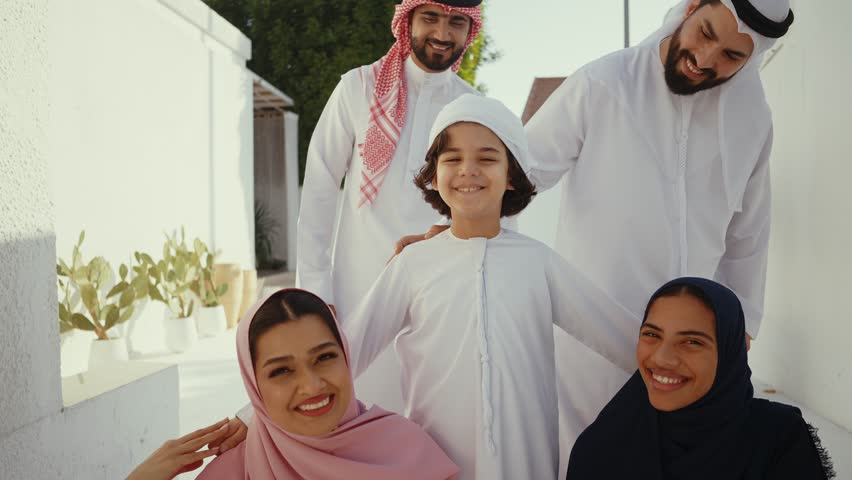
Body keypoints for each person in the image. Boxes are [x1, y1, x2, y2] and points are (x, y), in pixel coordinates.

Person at [517, 0, 796, 468]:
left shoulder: (753, 118)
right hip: (594, 333)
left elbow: (748, 231)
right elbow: (522, 172)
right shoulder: (604, 83)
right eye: (706, 33)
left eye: (732, 56)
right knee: (590, 455)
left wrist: (743, 321)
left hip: (691, 341)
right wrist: (451, 227)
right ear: (690, 8)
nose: (706, 60)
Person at [344, 94, 638, 479]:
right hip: (438, 464)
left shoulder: (538, 262)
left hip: (526, 463)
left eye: (486, 159)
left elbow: (619, 336)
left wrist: (697, 364)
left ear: (512, 175)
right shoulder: (412, 265)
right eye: (452, 159)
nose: (468, 171)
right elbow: (346, 349)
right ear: (433, 175)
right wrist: (256, 413)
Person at [295, 0, 485, 416]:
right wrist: (314, 290)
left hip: (437, 294)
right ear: (407, 21)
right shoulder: (357, 87)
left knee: (429, 417)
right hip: (355, 289)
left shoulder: (469, 108)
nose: (442, 33)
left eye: (456, 22)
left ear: (468, 30)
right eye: (430, 18)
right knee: (358, 413)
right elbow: (320, 188)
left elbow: (486, 201)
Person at [130, 289, 459, 480]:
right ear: (254, 386)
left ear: (346, 356)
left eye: (324, 358)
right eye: (281, 371)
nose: (311, 385)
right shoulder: (235, 472)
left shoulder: (407, 451)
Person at [565, 277, 835, 480]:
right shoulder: (603, 450)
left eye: (692, 341)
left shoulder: (779, 439)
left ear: (729, 352)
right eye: (652, 334)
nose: (662, 358)